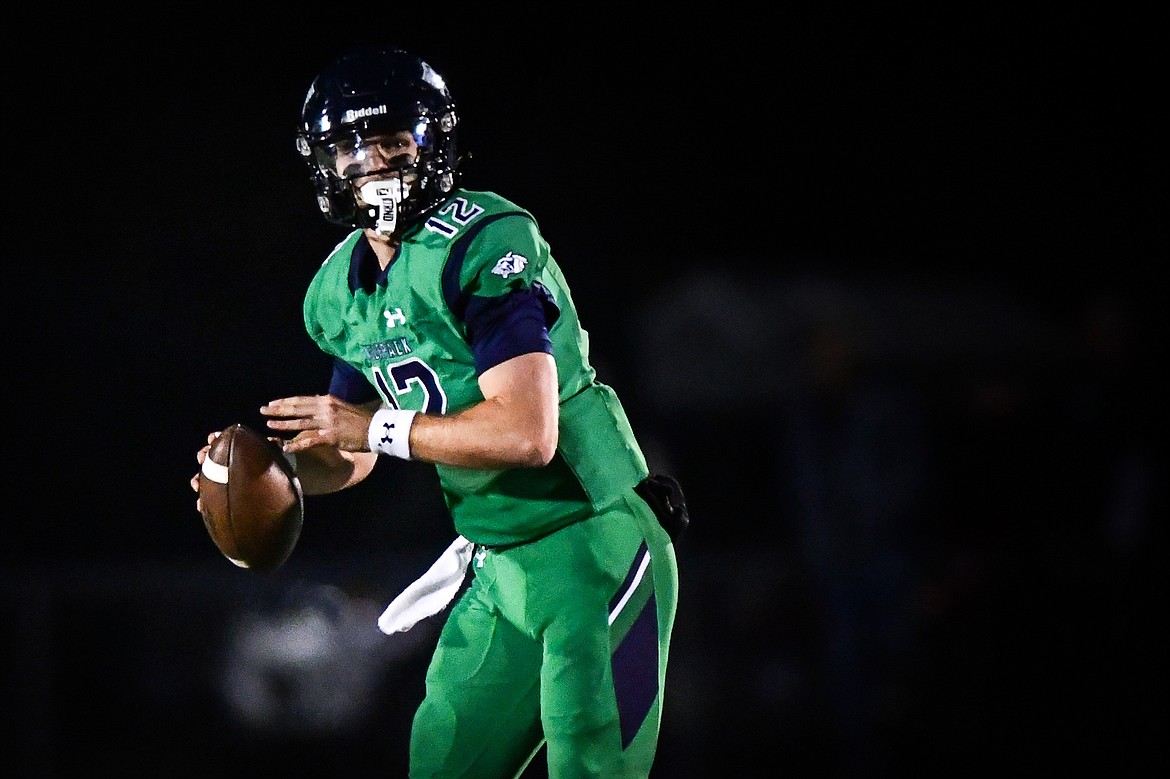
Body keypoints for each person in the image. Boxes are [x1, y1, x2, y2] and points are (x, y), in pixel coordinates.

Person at [191, 46, 686, 778]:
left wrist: (375, 429)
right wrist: (266, 476)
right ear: (329, 164)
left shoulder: (481, 240)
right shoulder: (341, 292)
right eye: (357, 147)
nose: (380, 162)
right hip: (498, 560)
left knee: (592, 758)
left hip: (594, 538)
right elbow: (350, 445)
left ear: (433, 142)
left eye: (396, 140)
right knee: (445, 757)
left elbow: (527, 431)